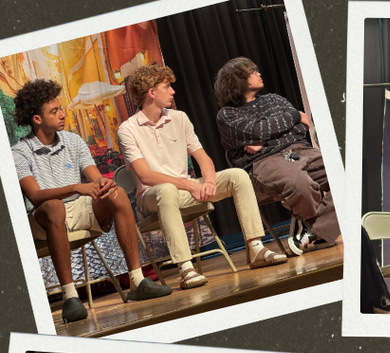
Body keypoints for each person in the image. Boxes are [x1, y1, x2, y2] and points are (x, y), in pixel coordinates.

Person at [11, 79, 172, 324]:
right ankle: (70, 296)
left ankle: (137, 280)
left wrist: (105, 184)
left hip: (79, 208)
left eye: (61, 109)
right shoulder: (19, 152)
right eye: (54, 111)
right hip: (43, 218)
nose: (63, 115)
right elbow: (35, 195)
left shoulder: (73, 141)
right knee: (54, 206)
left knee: (116, 194)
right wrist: (76, 187)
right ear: (37, 119)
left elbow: (96, 177)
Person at [117, 64, 287, 291]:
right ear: (151, 92)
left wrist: (208, 182)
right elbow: (145, 175)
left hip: (186, 189)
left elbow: (204, 159)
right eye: (167, 87)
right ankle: (186, 268)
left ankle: (256, 248)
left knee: (237, 176)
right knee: (167, 190)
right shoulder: (128, 129)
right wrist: (188, 185)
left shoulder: (179, 118)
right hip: (152, 196)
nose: (173, 91)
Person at [215, 58, 340, 254]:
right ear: (236, 79)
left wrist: (263, 141)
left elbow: (300, 128)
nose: (258, 73)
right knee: (298, 183)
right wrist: (294, 116)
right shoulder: (227, 114)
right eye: (252, 71)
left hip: (301, 150)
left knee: (344, 168)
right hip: (265, 161)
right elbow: (260, 129)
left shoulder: (274, 99)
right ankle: (320, 230)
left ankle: (313, 230)